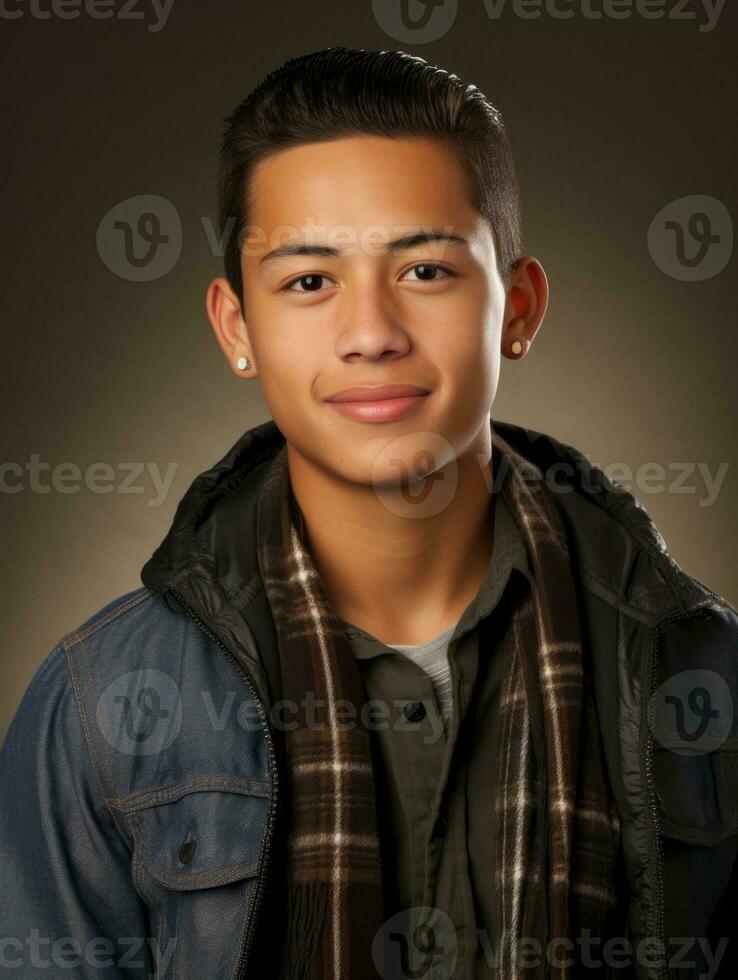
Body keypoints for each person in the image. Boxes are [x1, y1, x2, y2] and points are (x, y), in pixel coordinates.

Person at [1, 46, 736, 980]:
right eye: (310, 281)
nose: (372, 334)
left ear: (518, 306)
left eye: (426, 271)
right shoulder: (103, 710)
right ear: (237, 328)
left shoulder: (702, 674)